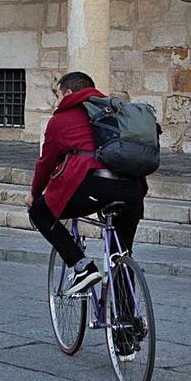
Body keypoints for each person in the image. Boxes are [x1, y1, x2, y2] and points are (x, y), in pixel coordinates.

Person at [26, 72, 147, 296]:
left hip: (94, 185)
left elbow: (46, 163)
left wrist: (34, 194)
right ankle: (128, 327)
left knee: (40, 213)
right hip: (133, 188)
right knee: (120, 255)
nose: (57, 101)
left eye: (57, 94)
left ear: (69, 93)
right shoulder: (116, 112)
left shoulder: (60, 120)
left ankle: (82, 268)